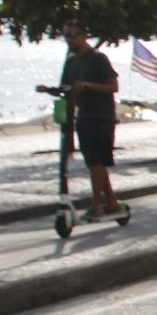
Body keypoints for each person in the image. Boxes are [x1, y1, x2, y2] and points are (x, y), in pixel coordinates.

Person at [58, 18, 124, 219]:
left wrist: (88, 85)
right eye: (66, 36)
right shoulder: (71, 61)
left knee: (96, 160)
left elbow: (113, 86)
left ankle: (96, 205)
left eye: (74, 35)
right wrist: (49, 90)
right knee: (94, 162)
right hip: (83, 115)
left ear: (84, 36)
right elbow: (66, 87)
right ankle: (111, 202)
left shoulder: (98, 58)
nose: (70, 40)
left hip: (102, 115)